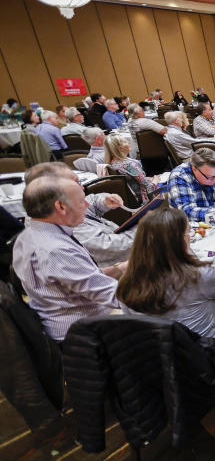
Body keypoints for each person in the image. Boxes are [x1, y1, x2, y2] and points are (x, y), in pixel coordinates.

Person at [117, 206, 215, 363]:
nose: (190, 237)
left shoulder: (126, 282)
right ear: (180, 239)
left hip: (162, 365)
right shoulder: (198, 275)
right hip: (208, 361)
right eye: (188, 232)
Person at [12, 174, 124, 341]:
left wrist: (119, 269)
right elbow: (114, 296)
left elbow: (71, 281)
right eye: (81, 201)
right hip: (83, 339)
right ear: (61, 207)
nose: (87, 205)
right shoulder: (57, 250)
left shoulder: (29, 234)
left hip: (65, 321)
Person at [23, 162, 135, 268]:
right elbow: (116, 248)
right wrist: (146, 229)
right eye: (76, 183)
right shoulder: (67, 227)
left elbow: (92, 201)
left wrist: (104, 201)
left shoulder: (52, 209)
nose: (82, 188)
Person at [104, 135, 154, 202]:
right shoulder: (128, 165)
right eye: (125, 142)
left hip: (130, 198)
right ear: (120, 148)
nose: (128, 142)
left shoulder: (112, 163)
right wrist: (155, 182)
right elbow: (146, 185)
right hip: (143, 199)